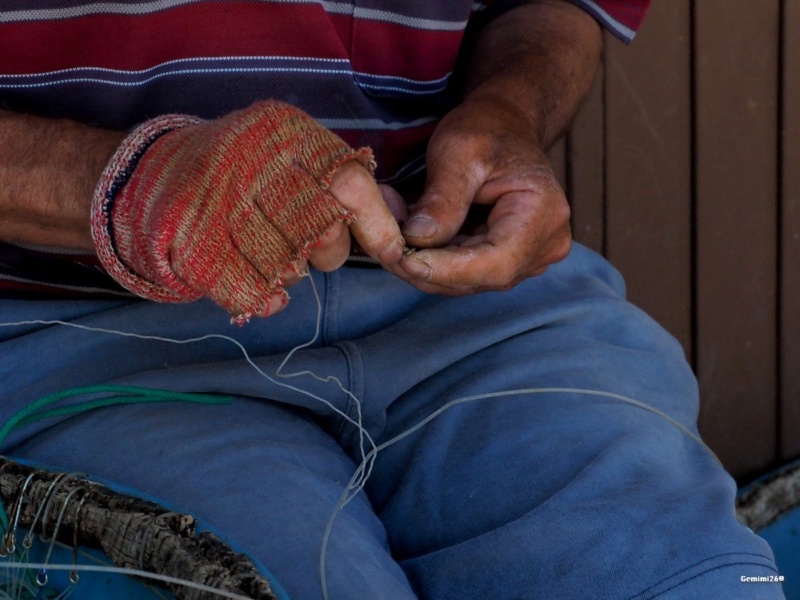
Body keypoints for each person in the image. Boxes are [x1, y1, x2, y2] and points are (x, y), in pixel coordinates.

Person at [0, 1, 785, 599]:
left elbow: (550, 10)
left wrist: (509, 111)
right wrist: (130, 185)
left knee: (690, 575)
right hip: (83, 336)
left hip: (465, 299)